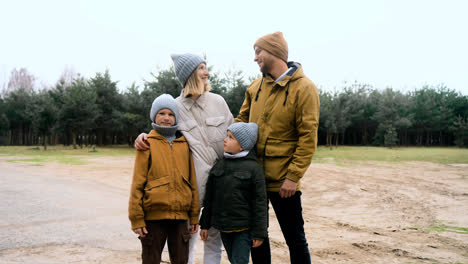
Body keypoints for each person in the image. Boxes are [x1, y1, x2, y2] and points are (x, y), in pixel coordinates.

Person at [134, 53, 234, 264]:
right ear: (190, 75)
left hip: (221, 185)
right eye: (201, 68)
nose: (206, 72)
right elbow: (162, 131)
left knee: (214, 242)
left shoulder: (219, 102)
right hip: (190, 191)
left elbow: (233, 137)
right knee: (187, 242)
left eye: (206, 67)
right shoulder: (175, 107)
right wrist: (142, 136)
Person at [235, 32, 320, 264]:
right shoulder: (255, 87)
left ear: (274, 52)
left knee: (295, 239)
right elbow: (240, 122)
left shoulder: (305, 89)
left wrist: (293, 177)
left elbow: (308, 138)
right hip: (254, 178)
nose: (255, 58)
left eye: (258, 52)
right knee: (257, 238)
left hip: (284, 182)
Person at [128, 93, 200, 264]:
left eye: (171, 114)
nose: (166, 118)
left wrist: (194, 215)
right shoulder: (147, 143)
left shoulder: (184, 144)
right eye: (161, 113)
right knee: (151, 259)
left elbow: (192, 183)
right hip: (153, 218)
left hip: (180, 217)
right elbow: (137, 183)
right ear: (154, 115)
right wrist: (136, 218)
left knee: (181, 259)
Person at [200, 122, 267, 264]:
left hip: (243, 229)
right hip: (223, 227)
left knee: (239, 261)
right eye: (227, 136)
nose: (225, 139)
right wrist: (205, 225)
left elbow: (260, 203)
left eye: (231, 137)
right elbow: (209, 198)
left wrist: (259, 233)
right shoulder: (219, 165)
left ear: (242, 145)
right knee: (233, 260)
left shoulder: (254, 169)